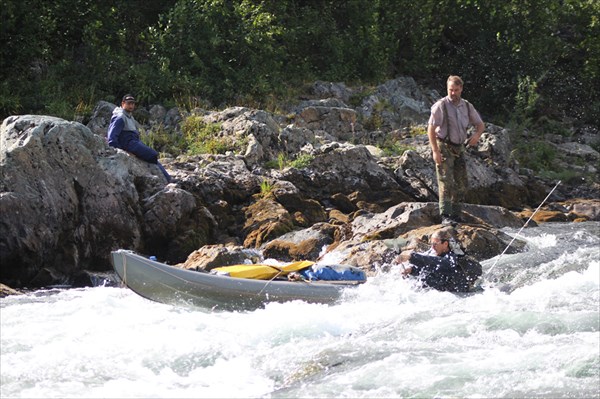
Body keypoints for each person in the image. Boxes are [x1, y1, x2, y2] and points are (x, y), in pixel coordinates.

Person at [427, 75, 485, 226]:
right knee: (446, 181)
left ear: (461, 89)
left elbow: (480, 124)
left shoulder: (466, 106)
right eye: (450, 90)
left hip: (459, 148)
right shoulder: (440, 105)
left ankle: (457, 214)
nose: (453, 93)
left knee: (462, 182)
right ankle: (445, 215)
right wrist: (435, 151)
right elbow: (431, 129)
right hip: (443, 146)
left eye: (456, 90)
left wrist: (476, 135)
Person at [107, 94, 171, 182]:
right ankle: (167, 180)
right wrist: (121, 152)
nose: (131, 106)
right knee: (152, 155)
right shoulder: (120, 117)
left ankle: (168, 179)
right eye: (129, 103)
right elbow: (112, 138)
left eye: (133, 104)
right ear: (123, 103)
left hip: (134, 142)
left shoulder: (129, 116)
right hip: (129, 144)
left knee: (153, 157)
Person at [397, 229, 477, 293]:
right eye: (431, 244)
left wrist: (412, 257)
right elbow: (430, 265)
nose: (432, 247)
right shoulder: (436, 252)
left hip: (459, 295)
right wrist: (412, 270)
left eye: (435, 244)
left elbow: (441, 264)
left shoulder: (454, 256)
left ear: (445, 244)